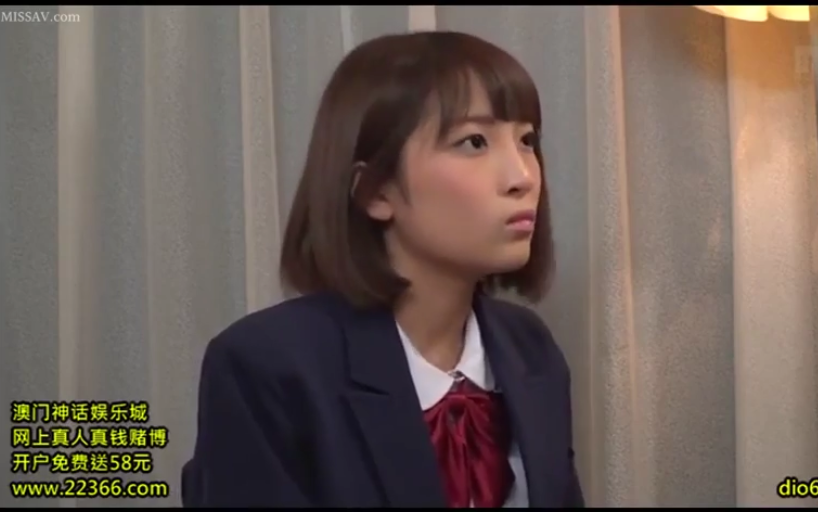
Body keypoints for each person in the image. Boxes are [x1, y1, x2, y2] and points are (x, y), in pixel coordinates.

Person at [182, 30, 584, 508]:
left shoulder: (530, 349)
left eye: (527, 140)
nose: (524, 176)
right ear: (375, 191)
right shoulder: (267, 366)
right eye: (475, 142)